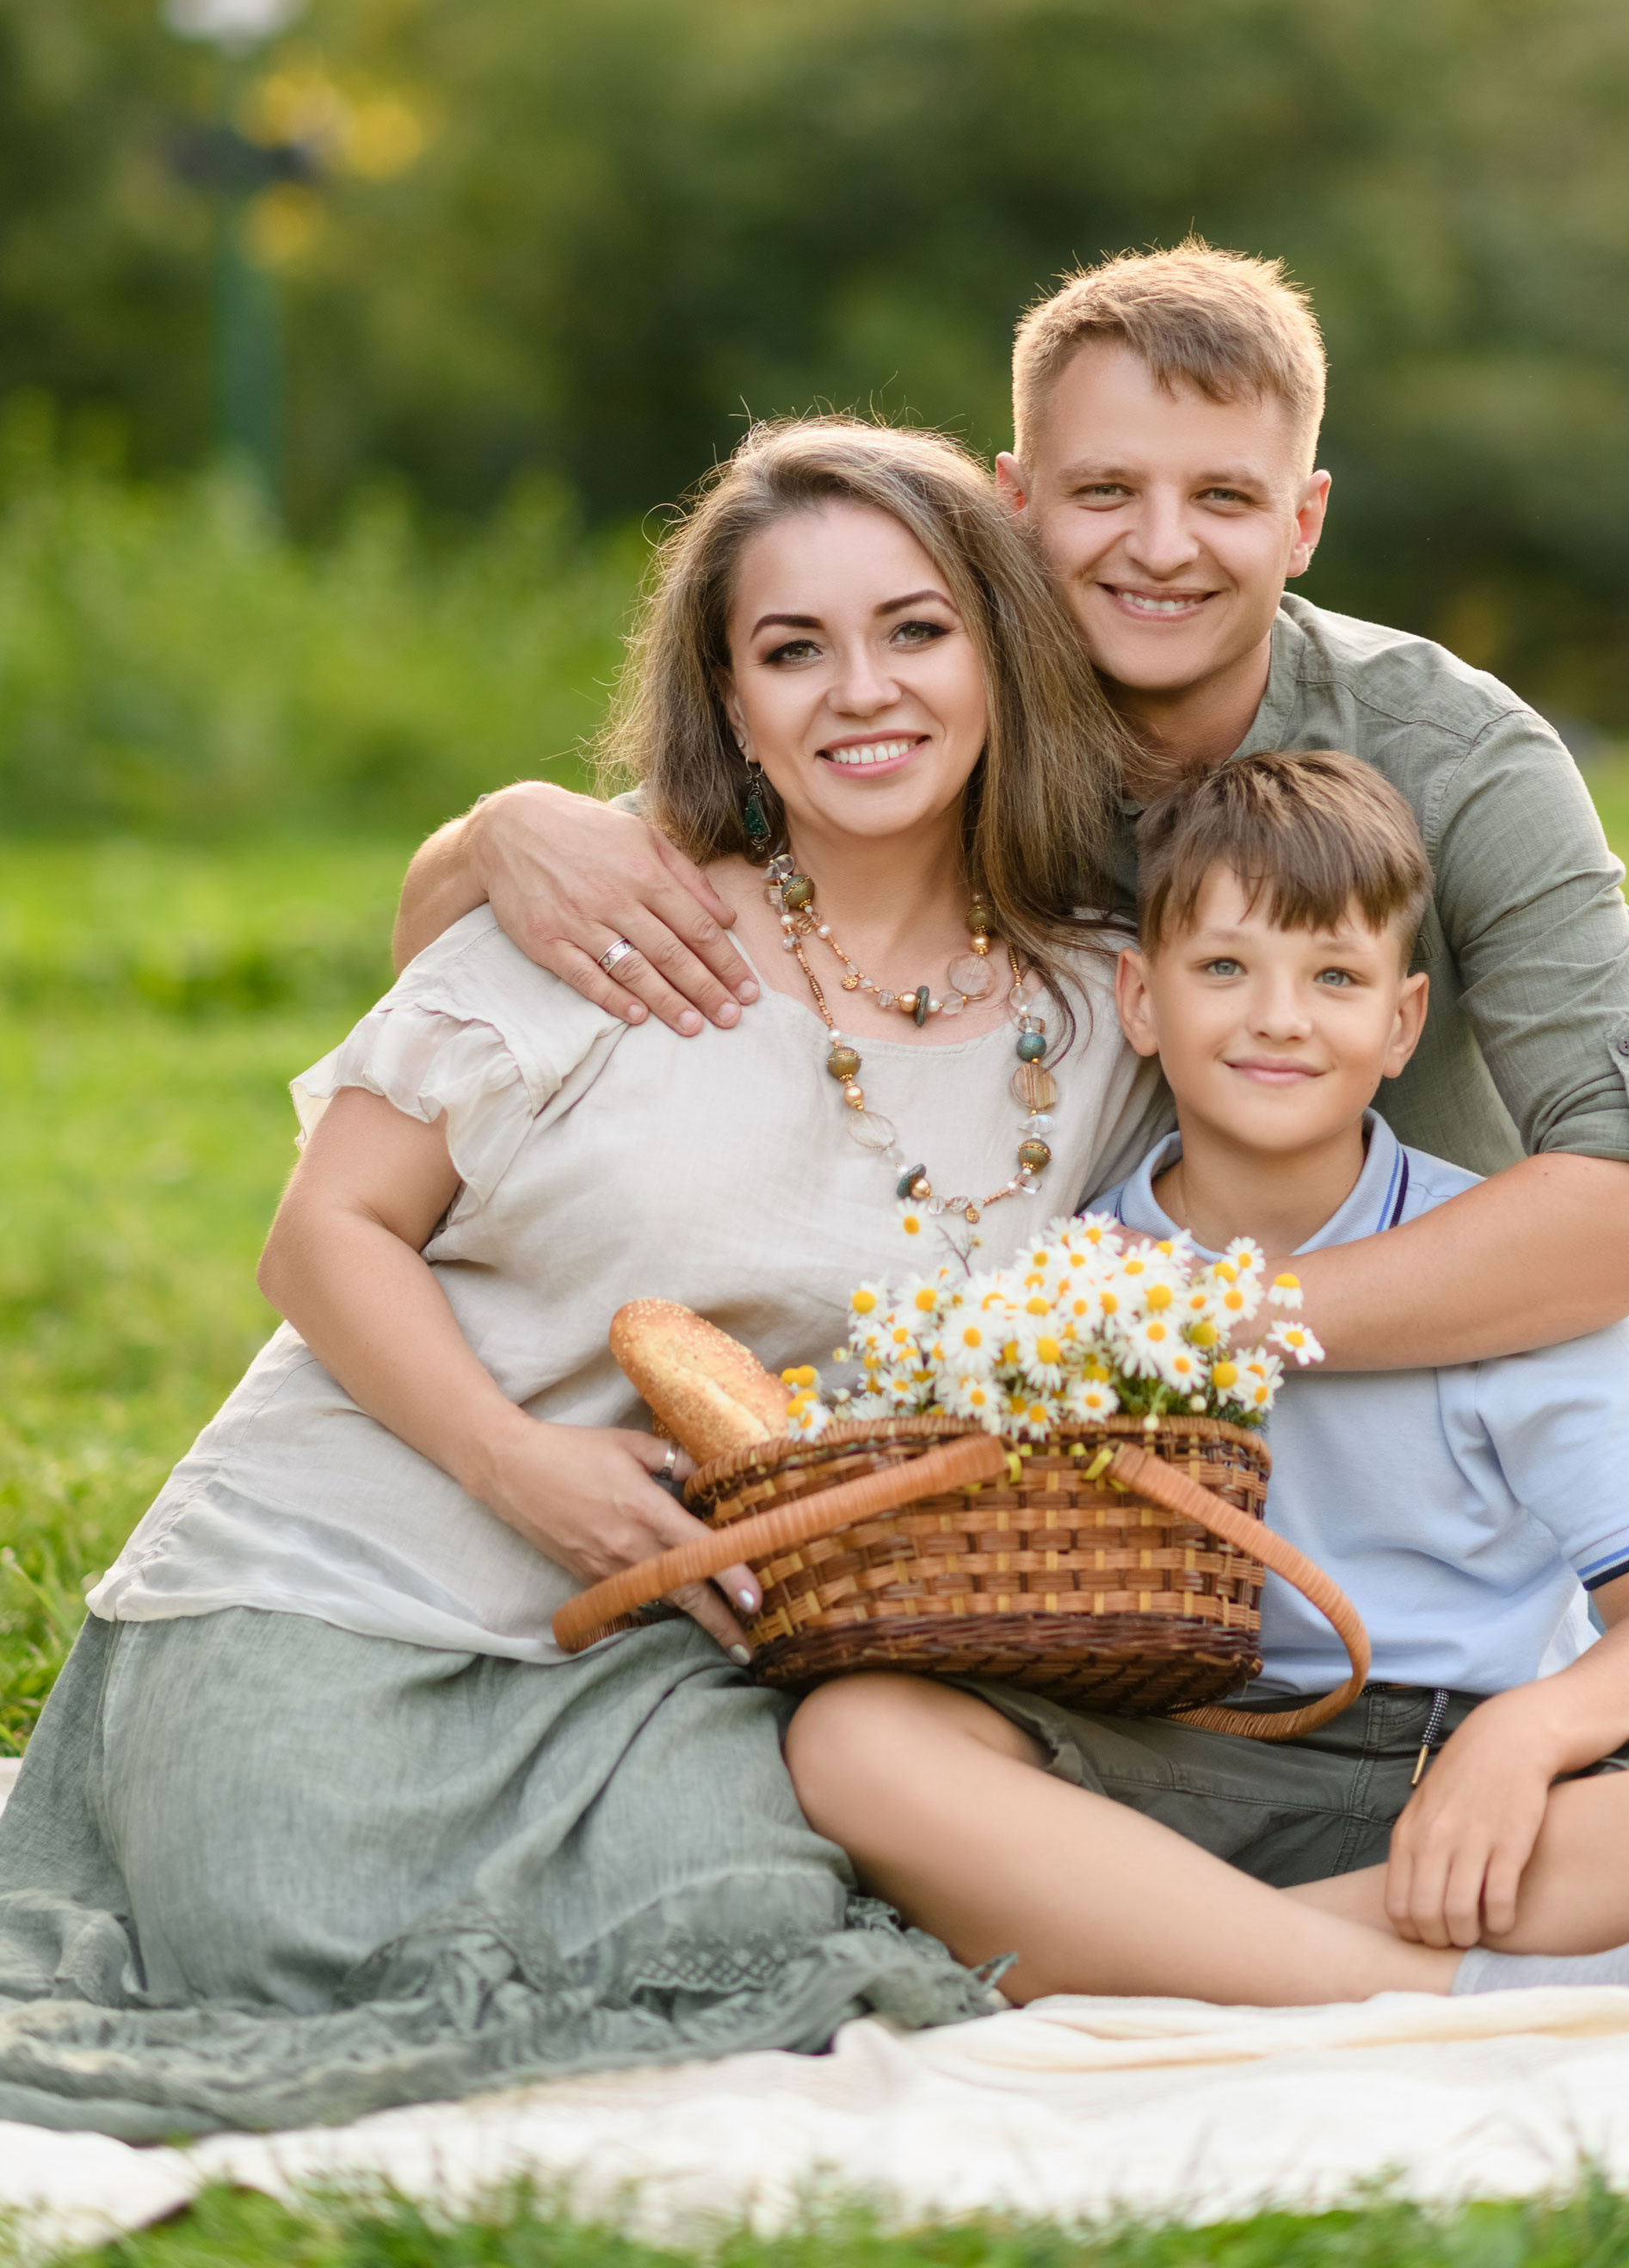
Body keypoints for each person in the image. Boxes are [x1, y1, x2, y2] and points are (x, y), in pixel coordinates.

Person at [396, 243, 1629, 1710]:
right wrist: (491, 834)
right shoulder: (930, 709)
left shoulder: (1458, 756)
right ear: (1014, 503)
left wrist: (1220, 1319)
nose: (1161, 547)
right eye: (1104, 493)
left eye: (1223, 496)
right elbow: (643, 871)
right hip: (1109, 1411)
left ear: (1306, 518)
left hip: (1498, 1343)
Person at [0, 421, 1169, 2141]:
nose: (862, 691)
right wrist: (516, 1460)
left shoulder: (1096, 1006)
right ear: (729, 694)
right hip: (339, 1589)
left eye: (914, 630)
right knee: (287, 1937)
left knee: (739, 1932)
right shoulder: (606, 907)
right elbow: (321, 1236)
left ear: (1002, 645)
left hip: (677, 1652)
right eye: (792, 648)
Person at [784, 752, 1629, 2008]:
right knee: (855, 1735)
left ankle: (1155, 1944)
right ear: (1140, 1001)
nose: (1279, 1018)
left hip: (1450, 1779)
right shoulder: (1075, 1276)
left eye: (1334, 978)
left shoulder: (1494, 1271)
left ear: (1400, 1022)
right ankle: (1429, 1987)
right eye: (1223, 969)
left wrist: (1525, 1743)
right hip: (1176, 1748)